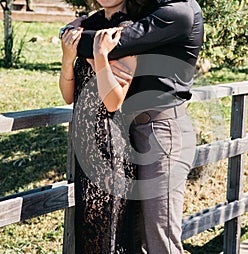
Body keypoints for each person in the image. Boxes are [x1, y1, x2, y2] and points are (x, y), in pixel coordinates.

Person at [64, 0, 204, 253]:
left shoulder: (177, 12)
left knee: (160, 237)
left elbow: (114, 43)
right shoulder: (149, 7)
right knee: (135, 236)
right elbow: (107, 19)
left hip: (161, 132)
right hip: (130, 131)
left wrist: (70, 35)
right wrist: (77, 26)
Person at [59, 0, 141, 253]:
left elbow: (113, 101)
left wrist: (101, 56)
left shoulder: (128, 32)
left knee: (107, 239)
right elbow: (68, 96)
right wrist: (67, 57)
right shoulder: (86, 26)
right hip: (84, 152)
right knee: (88, 235)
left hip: (110, 152)